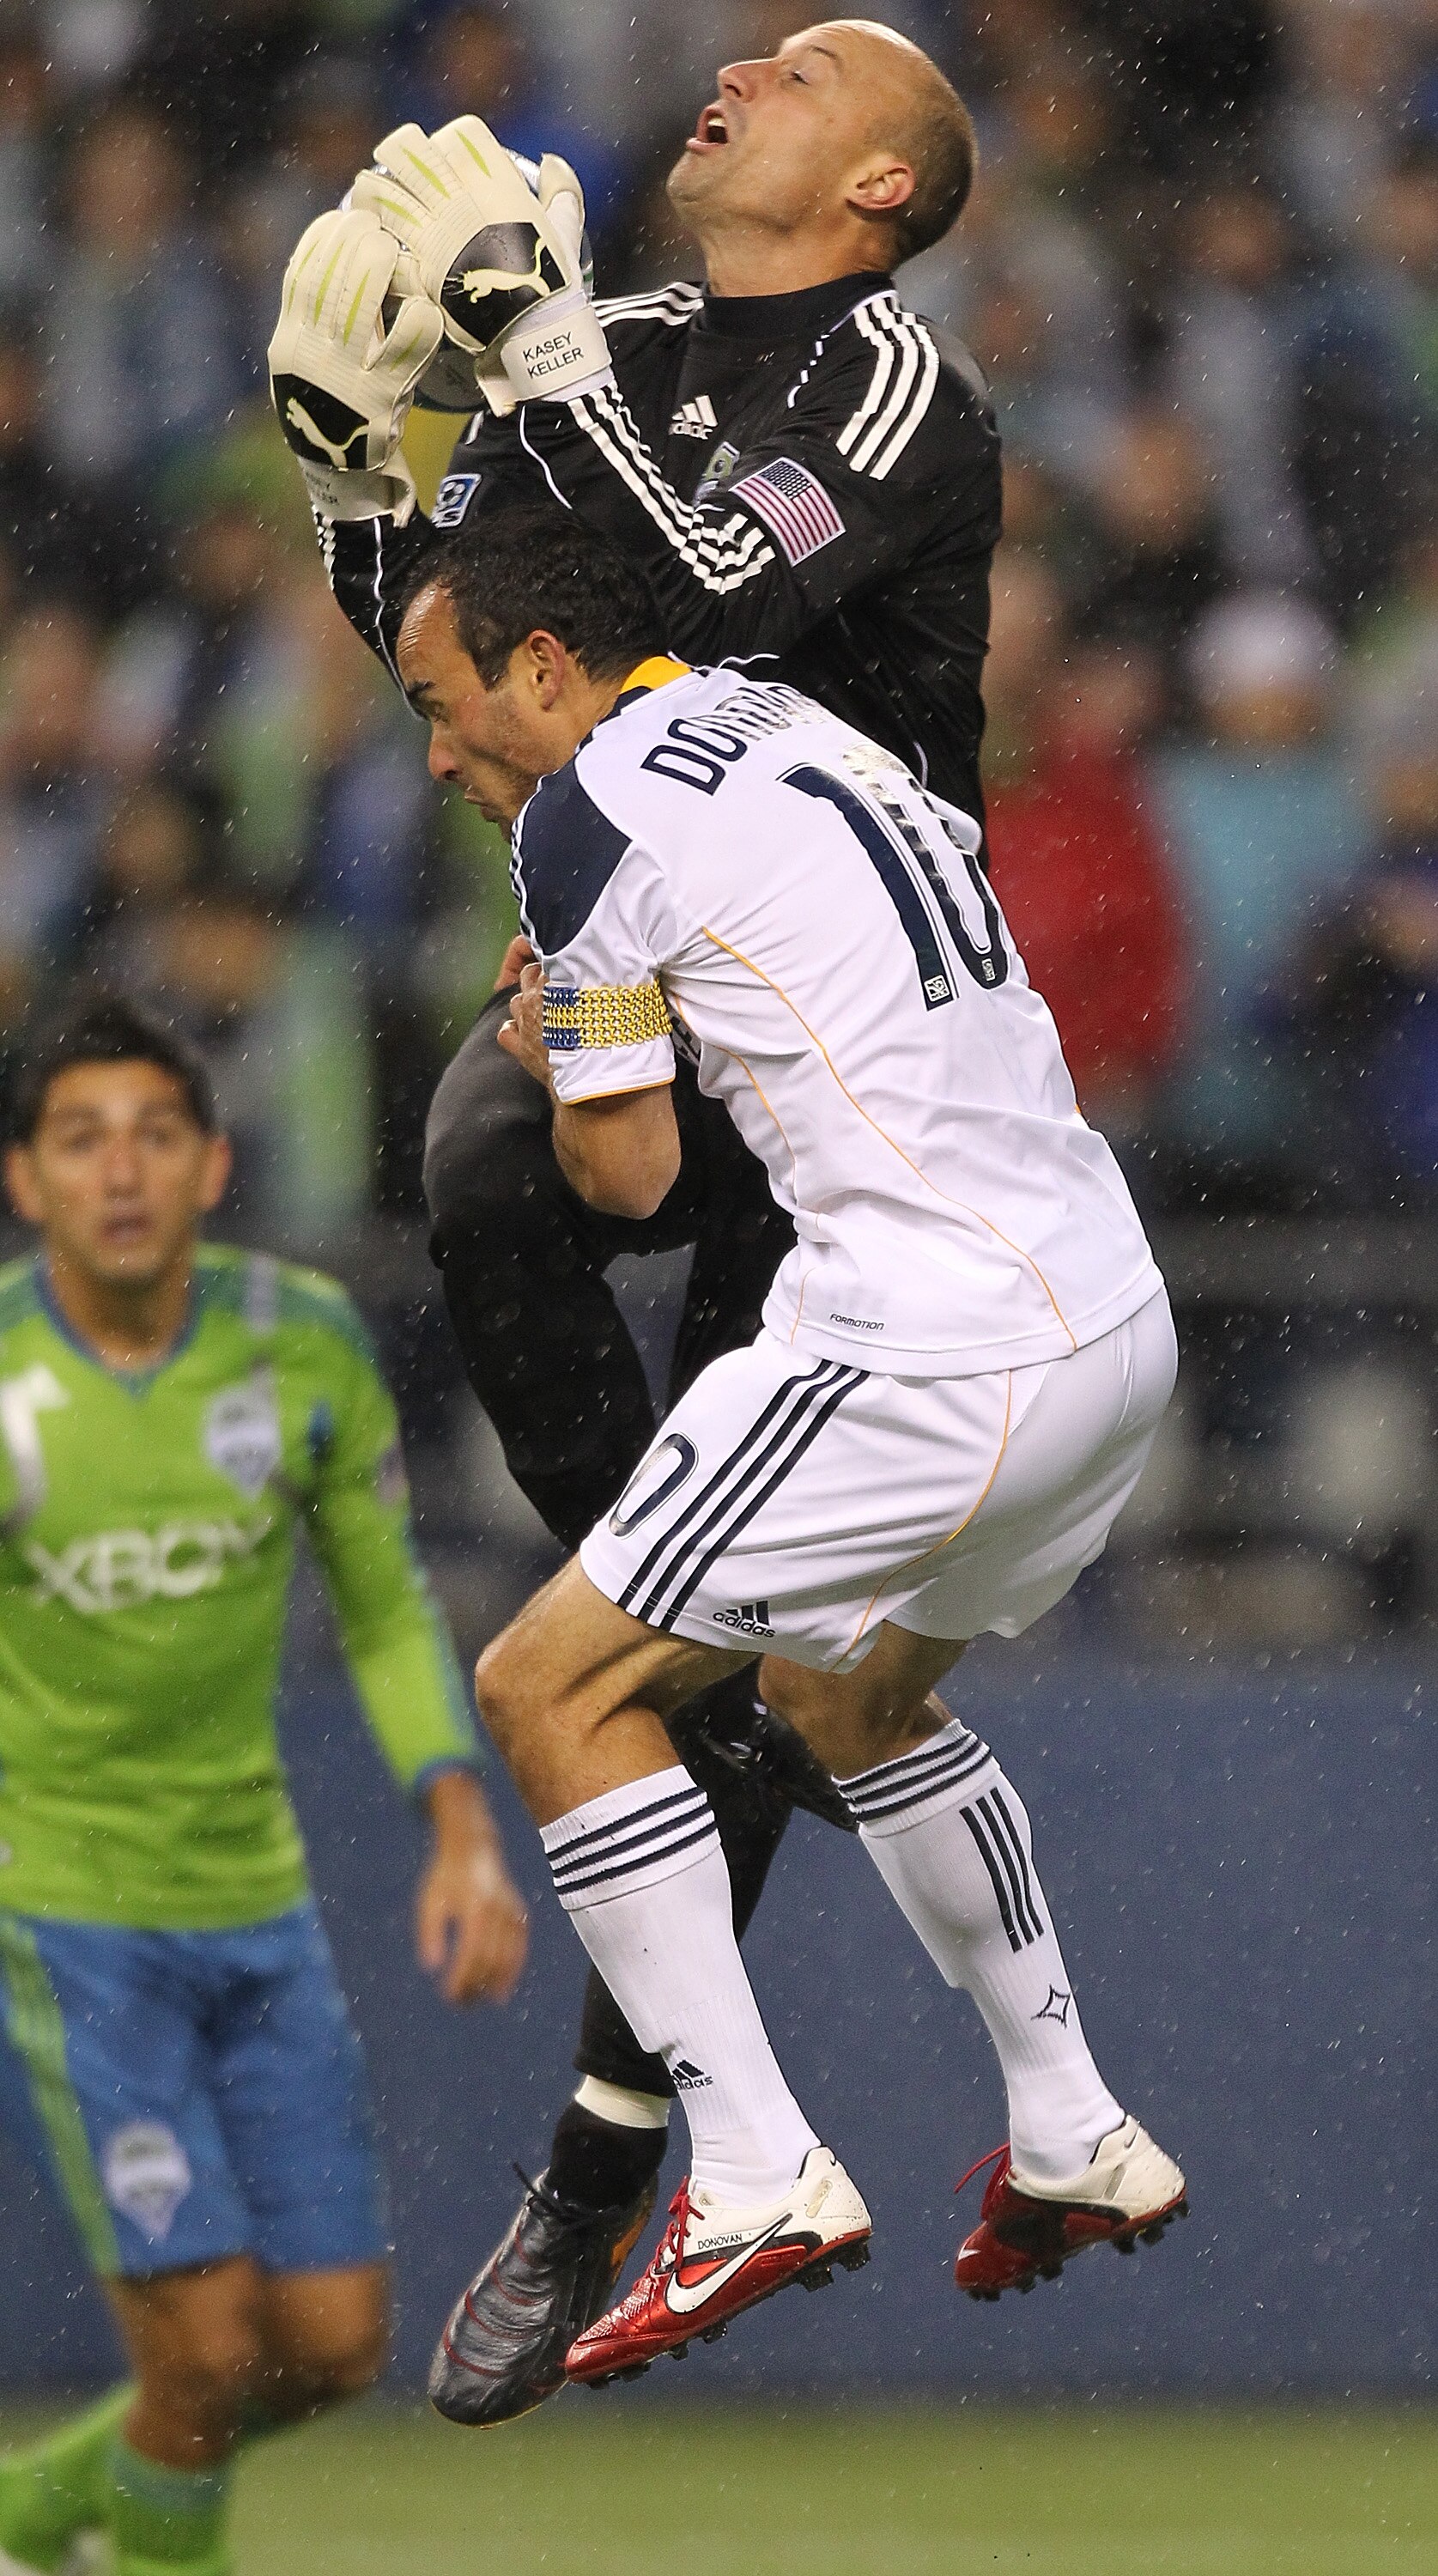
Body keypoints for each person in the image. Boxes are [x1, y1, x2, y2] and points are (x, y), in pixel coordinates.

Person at [268, 16, 1184, 2424]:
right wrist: (363, 490)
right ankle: (1015, 2079)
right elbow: (487, 662)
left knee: (593, 1653)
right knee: (500, 1214)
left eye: (802, 70)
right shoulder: (628, 357)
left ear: (881, 188)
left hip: (840, 1061)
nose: (739, 63)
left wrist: (530, 361)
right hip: (814, 1052)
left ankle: (637, 2143)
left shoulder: (888, 394)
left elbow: (662, 601)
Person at [395, 512, 1188, 2385]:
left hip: (926, 1341)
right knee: (850, 1705)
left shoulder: (578, 819)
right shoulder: (788, 720)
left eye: (438, 703)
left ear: (537, 668)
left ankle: (746, 2165)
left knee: (545, 1687)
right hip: (1111, 1317)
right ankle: (1067, 2114)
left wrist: (567, 1037)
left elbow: (637, 1178)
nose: (435, 750)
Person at [0, 999, 526, 2576]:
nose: (121, 1172)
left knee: (329, 2344)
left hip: (258, 1911)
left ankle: (31, 2516)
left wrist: (457, 1819)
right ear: (26, 1183)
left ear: (215, 1162)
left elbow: (381, 1604)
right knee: (207, 2354)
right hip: (75, 1925)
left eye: (155, 1134)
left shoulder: (299, 1340)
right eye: (80, 1139)